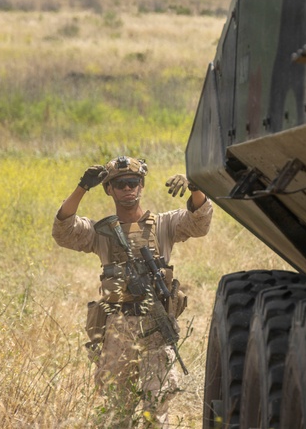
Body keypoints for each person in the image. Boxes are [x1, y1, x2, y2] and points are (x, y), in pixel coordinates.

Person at [53, 155, 213, 428]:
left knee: (156, 412)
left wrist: (195, 186)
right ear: (109, 189)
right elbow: (63, 231)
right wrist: (82, 188)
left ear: (141, 186)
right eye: (120, 184)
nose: (128, 188)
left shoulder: (163, 224)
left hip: (156, 327)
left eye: (133, 182)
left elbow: (199, 222)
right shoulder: (101, 231)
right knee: (119, 413)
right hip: (117, 329)